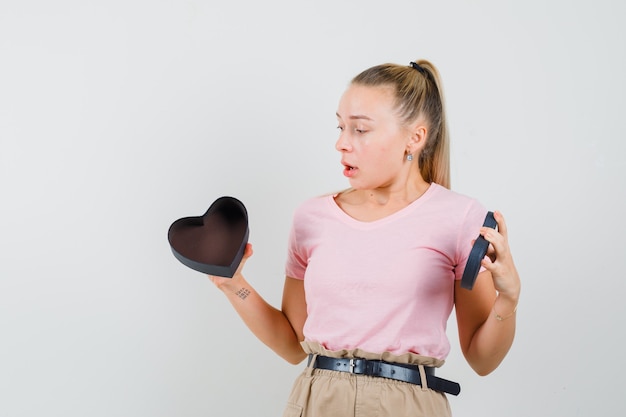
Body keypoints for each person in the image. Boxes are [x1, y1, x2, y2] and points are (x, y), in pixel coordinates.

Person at [209, 59, 521, 417]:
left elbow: (482, 360)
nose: (341, 143)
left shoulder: (460, 218)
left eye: (360, 129)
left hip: (409, 406)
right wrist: (235, 285)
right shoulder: (312, 218)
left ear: (415, 137)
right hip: (317, 400)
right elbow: (294, 344)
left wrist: (508, 299)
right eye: (341, 127)